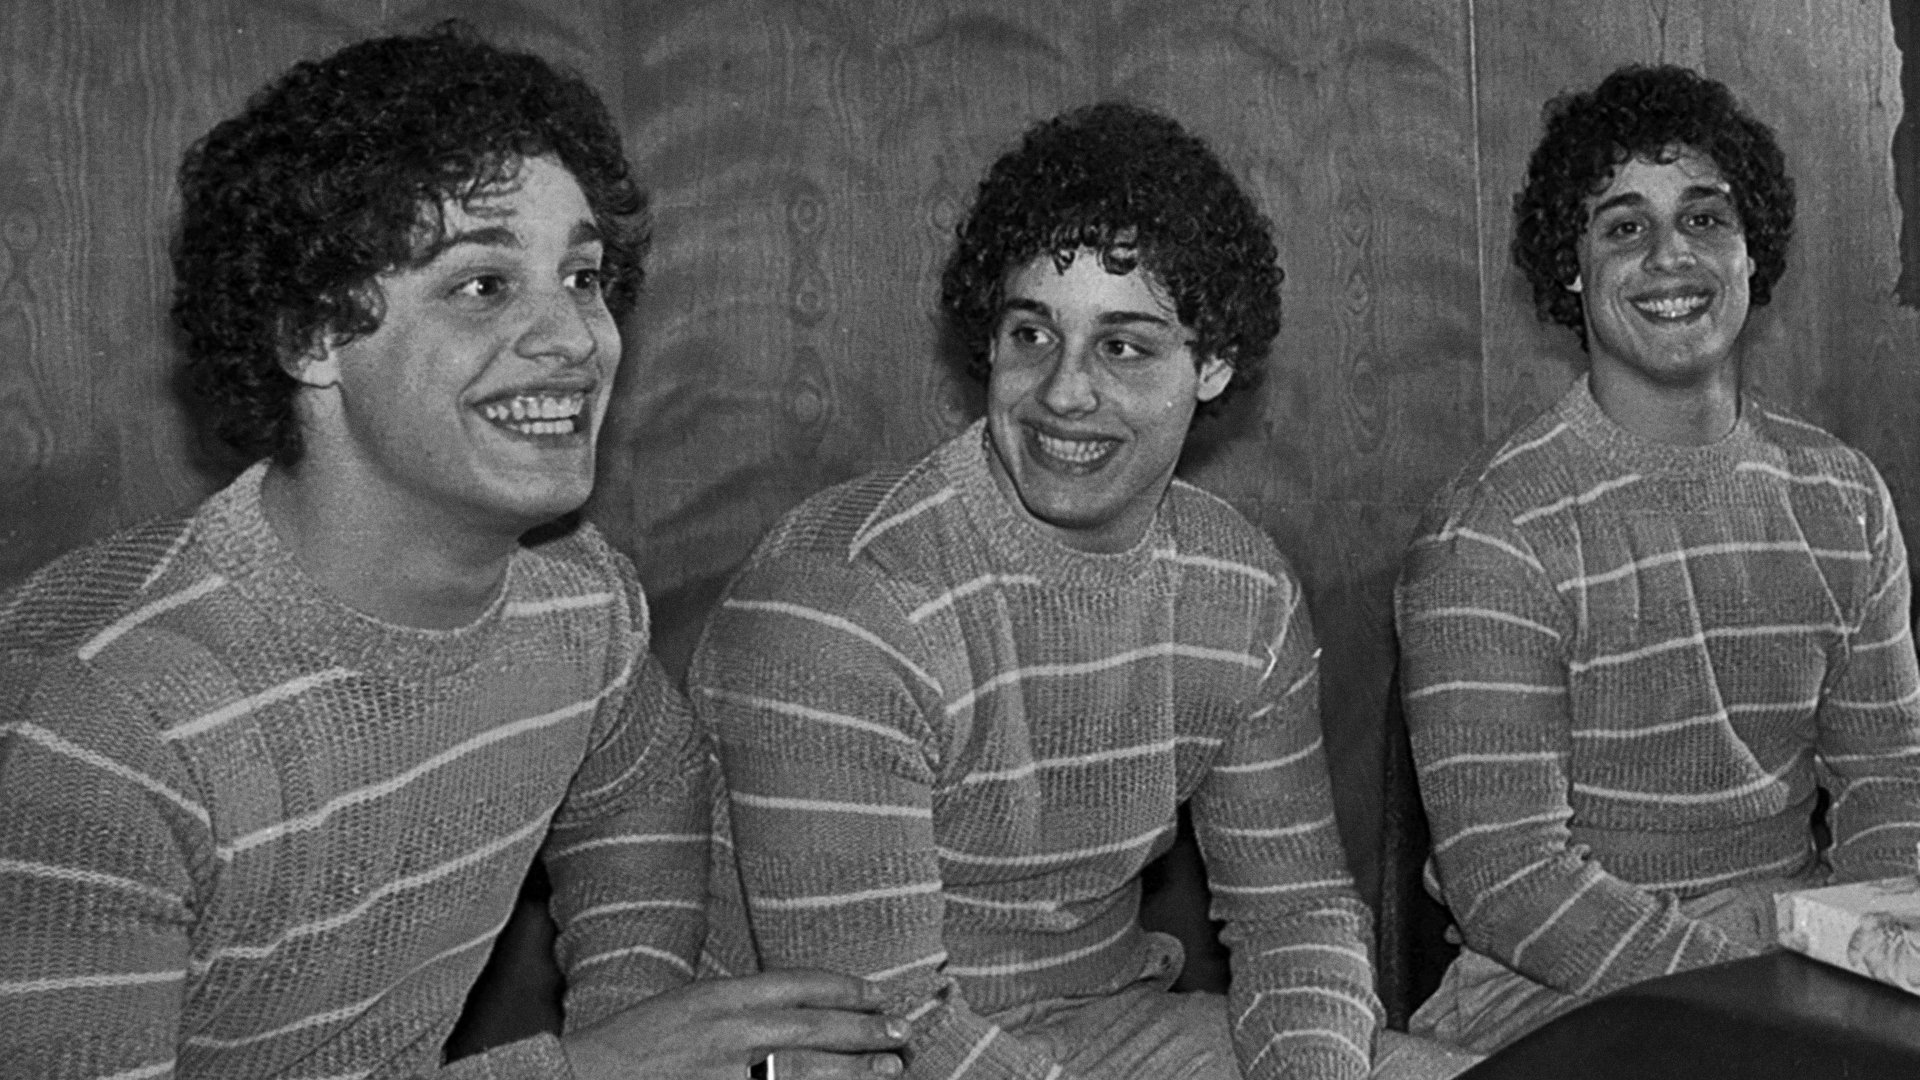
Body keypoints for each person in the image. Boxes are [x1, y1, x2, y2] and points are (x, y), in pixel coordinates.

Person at [0, 23, 908, 1079]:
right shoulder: (99, 725)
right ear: (311, 338)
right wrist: (592, 1070)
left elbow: (648, 786)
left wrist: (636, 1011)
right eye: (483, 286)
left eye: (583, 277)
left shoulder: (578, 598)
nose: (575, 338)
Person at [690, 102, 1479, 1080]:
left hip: (1108, 1029)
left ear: (1212, 364)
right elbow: (883, 1023)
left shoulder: (1241, 591)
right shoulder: (843, 601)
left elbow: (1294, 913)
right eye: (1032, 334)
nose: (1064, 392)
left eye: (1123, 346)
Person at [1396, 63, 1920, 1054]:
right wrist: (1750, 994)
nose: (1671, 255)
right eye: (1624, 227)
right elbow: (1508, 882)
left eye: (1706, 219)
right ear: (1571, 268)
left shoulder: (1844, 496)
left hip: (1800, 952)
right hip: (1554, 989)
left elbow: (1894, 784)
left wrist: (1863, 957)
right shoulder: (1494, 527)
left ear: (1752, 251)